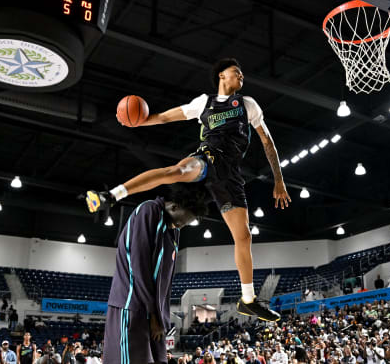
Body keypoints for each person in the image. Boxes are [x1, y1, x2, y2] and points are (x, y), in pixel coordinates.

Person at [85, 58, 290, 322]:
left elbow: (267, 141)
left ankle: (247, 300)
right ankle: (110, 196)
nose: (241, 75)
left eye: (241, 72)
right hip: (208, 158)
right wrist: (138, 122)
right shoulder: (203, 103)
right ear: (221, 76)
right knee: (176, 172)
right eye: (235, 71)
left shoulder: (248, 105)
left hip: (230, 176)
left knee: (244, 237)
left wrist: (279, 180)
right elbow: (163, 117)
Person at [103, 184, 210, 364]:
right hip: (132, 305)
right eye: (181, 222)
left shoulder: (172, 230)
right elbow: (140, 266)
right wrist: (154, 315)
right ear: (174, 206)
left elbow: (164, 282)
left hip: (152, 312)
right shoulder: (149, 210)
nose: (181, 226)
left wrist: (160, 317)